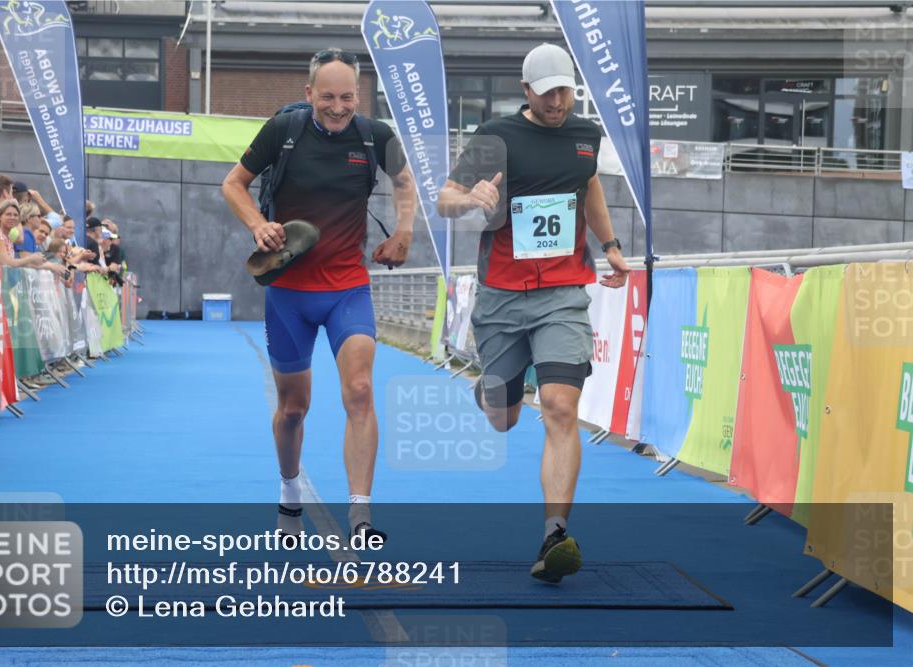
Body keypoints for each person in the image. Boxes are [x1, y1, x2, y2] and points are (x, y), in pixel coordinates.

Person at [438, 43, 631, 583]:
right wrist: (470, 197)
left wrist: (611, 244)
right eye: (546, 93)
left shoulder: (585, 136)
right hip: (502, 295)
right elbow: (444, 198)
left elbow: (588, 185)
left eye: (564, 91)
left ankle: (555, 536)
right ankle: (492, 390)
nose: (557, 102)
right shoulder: (496, 136)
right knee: (503, 418)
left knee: (560, 407)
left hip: (563, 293)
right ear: (526, 91)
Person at [222, 47, 416, 541]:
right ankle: (290, 494)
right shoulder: (283, 132)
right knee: (293, 408)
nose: (337, 107)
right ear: (309, 93)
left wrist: (404, 232)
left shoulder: (374, 136)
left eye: (347, 97)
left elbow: (404, 179)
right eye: (327, 97)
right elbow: (234, 184)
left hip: (347, 287)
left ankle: (361, 515)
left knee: (360, 389)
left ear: (359, 95)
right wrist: (258, 224)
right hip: (288, 291)